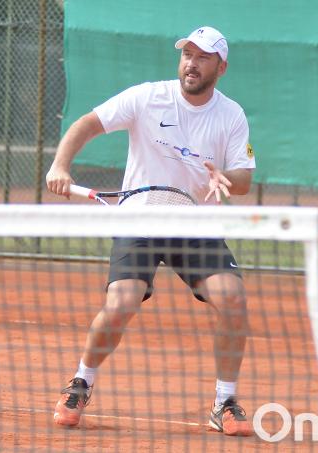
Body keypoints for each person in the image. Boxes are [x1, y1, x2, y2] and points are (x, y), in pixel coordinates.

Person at [46, 26, 256, 436]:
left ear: (221, 68)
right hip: (140, 219)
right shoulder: (147, 97)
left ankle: (224, 403)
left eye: (203, 57)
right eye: (187, 54)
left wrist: (226, 176)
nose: (192, 63)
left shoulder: (231, 115)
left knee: (233, 298)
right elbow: (86, 124)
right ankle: (80, 383)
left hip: (195, 223)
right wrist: (60, 165)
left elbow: (244, 179)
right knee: (121, 302)